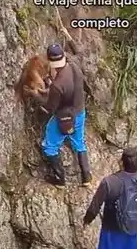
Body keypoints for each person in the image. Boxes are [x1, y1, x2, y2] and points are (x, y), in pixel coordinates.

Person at [31, 42, 92, 187]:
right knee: (79, 143)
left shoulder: (57, 85)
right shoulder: (74, 66)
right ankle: (86, 177)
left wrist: (35, 95)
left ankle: (60, 179)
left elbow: (50, 107)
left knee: (49, 146)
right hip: (79, 112)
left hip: (64, 118)